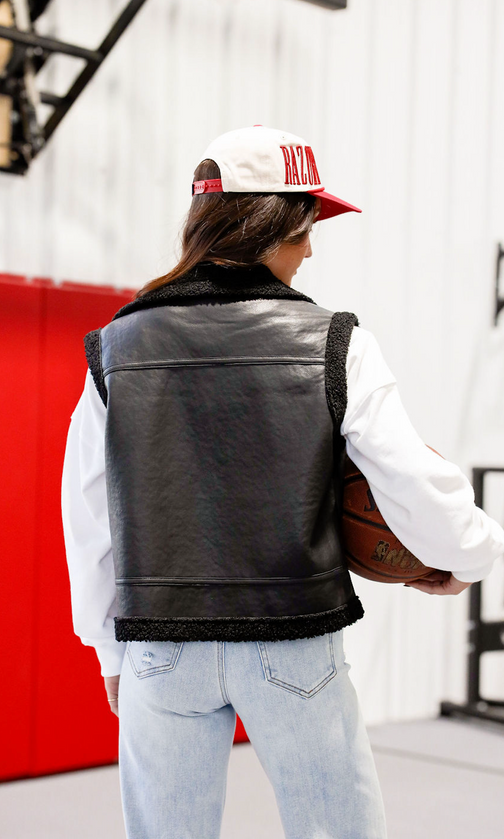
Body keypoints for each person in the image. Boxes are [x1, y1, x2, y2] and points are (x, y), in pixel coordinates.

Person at [61, 126, 504, 839]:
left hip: (160, 647)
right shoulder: (336, 342)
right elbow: (411, 478)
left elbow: (88, 516)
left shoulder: (114, 347)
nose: (310, 250)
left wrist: (107, 648)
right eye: (306, 229)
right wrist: (470, 554)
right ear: (271, 226)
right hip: (292, 637)